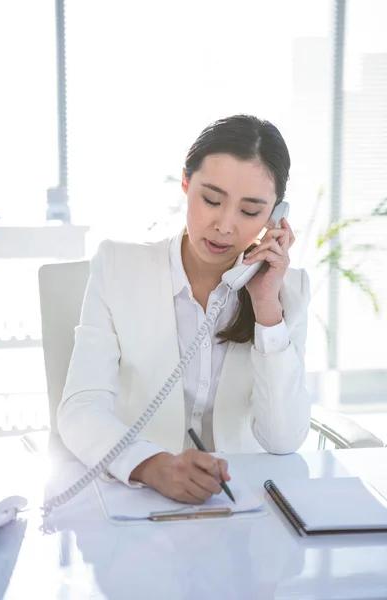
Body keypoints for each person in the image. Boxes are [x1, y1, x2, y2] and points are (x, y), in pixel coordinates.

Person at [58, 114, 311, 505]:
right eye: (211, 199)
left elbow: (282, 440)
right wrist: (152, 465)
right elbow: (80, 407)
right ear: (185, 183)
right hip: (136, 499)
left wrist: (265, 306)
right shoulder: (116, 268)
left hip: (240, 508)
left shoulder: (287, 292)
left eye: (250, 211)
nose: (224, 225)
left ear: (275, 217)